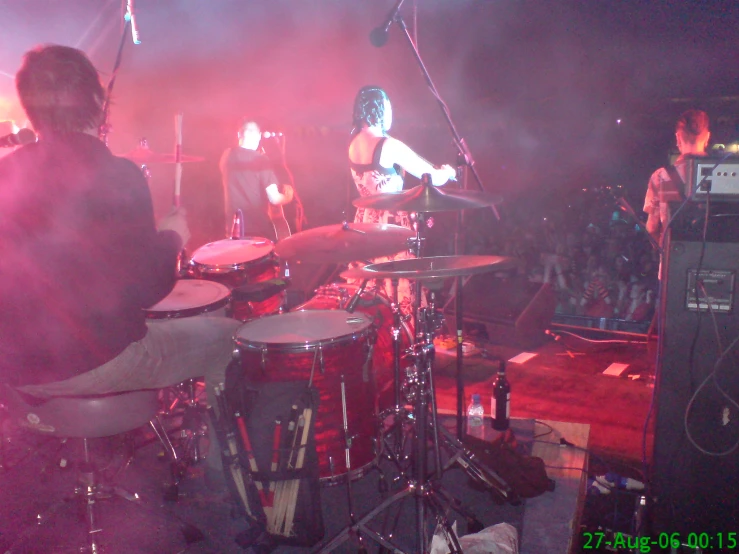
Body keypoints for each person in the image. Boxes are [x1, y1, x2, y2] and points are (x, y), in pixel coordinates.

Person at [0, 45, 240, 484]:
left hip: (12, 371)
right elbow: (146, 288)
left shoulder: (6, 174)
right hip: (89, 364)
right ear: (94, 104)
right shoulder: (118, 175)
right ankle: (231, 489)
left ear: (31, 107)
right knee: (229, 337)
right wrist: (172, 237)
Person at [348, 85, 456, 316]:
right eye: (388, 106)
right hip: (389, 222)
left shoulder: (354, 142)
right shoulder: (388, 145)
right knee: (396, 285)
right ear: (378, 108)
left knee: (372, 286)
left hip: (365, 220)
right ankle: (402, 332)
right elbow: (432, 177)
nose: (391, 113)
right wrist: (447, 171)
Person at [643, 109, 710, 247]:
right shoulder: (725, 174)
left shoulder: (660, 177)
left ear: (678, 138)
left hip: (676, 260)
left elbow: (652, 229)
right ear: (707, 137)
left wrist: (666, 251)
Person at [219, 118, 294, 242]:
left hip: (234, 231)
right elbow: (274, 199)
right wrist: (288, 196)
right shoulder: (260, 160)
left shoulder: (226, 155)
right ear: (259, 136)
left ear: (239, 134)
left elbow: (245, 182)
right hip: (257, 233)